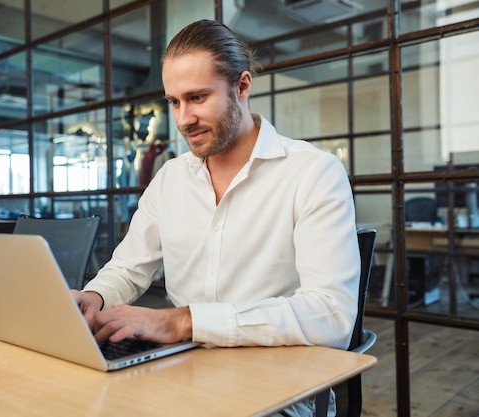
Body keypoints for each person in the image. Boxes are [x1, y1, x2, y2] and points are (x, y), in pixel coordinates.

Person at [73, 19, 360, 416]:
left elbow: (333, 315)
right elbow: (128, 268)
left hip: (277, 389)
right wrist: (94, 296)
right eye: (174, 101)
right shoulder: (170, 178)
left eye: (197, 98)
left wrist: (184, 322)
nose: (182, 119)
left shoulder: (313, 173)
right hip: (178, 371)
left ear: (243, 86)